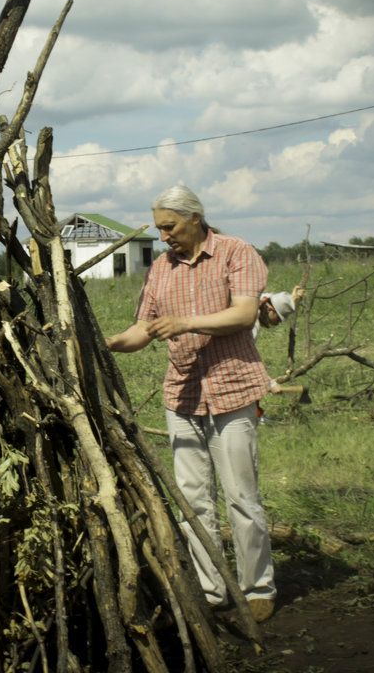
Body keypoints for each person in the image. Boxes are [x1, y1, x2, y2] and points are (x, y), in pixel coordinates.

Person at [104, 184, 276, 623]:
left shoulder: (236, 252)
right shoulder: (161, 268)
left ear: (195, 218)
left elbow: (243, 314)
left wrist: (186, 323)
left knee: (241, 495)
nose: (165, 236)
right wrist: (108, 344)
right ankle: (211, 588)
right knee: (194, 499)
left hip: (233, 389)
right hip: (182, 396)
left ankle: (257, 586)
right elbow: (144, 329)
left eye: (170, 226)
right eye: (160, 228)